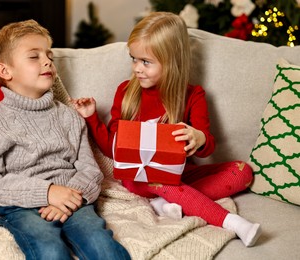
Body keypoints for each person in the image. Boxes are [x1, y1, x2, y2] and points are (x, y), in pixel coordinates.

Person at [71, 12, 261, 247]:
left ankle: (171, 201)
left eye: (146, 62)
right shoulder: (126, 92)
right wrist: (92, 119)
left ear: (172, 61)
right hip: (140, 179)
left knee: (242, 171)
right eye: (134, 59)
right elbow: (113, 149)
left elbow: (207, 147)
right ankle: (233, 222)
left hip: (179, 174)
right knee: (159, 182)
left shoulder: (193, 95)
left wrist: (198, 137)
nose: (137, 69)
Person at [0, 19, 131, 260]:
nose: (47, 61)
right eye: (34, 56)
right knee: (49, 250)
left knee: (100, 245)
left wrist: (67, 198)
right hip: (19, 204)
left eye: (49, 55)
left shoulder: (68, 115)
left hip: (72, 196)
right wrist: (48, 192)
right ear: (5, 71)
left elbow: (90, 169)